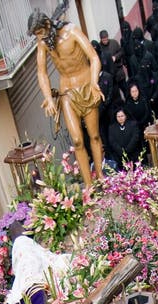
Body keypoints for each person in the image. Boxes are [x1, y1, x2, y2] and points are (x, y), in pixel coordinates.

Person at [28, 8, 104, 186]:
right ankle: (88, 186)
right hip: (67, 92)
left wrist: (94, 81)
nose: (38, 37)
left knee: (93, 136)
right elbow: (41, 72)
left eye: (39, 32)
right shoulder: (44, 43)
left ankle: (100, 175)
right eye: (36, 35)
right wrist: (47, 96)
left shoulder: (72, 31)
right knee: (77, 140)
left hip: (86, 86)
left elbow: (93, 57)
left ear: (47, 24)